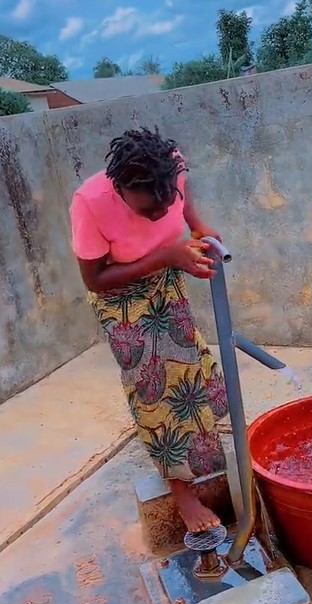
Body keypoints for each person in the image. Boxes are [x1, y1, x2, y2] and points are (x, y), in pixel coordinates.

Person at [70, 126, 229, 531]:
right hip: (119, 295)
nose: (160, 214)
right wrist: (166, 256)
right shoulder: (90, 202)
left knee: (190, 373)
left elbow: (182, 194)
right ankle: (183, 495)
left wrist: (196, 225)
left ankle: (203, 463)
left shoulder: (170, 166)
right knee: (154, 390)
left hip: (165, 269)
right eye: (148, 211)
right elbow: (96, 279)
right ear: (120, 189)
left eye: (166, 204)